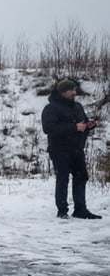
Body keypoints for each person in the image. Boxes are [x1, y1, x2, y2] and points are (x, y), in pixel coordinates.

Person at [41, 78, 101, 219]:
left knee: (81, 178)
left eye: (75, 89)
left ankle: (80, 209)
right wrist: (74, 127)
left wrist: (88, 125)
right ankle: (62, 211)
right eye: (71, 90)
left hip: (77, 148)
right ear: (62, 92)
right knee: (63, 179)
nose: (74, 92)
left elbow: (82, 123)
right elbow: (48, 128)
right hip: (59, 149)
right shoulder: (51, 108)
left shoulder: (78, 107)